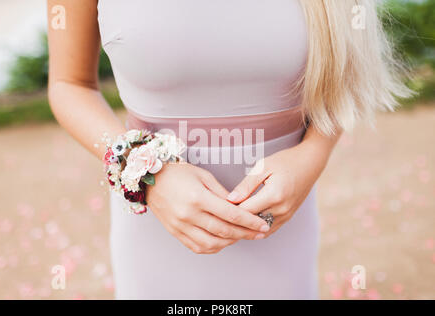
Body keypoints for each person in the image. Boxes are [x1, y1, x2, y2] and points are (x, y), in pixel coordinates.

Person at [47, 0, 410, 299]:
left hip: (281, 236)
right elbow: (69, 84)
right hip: (156, 236)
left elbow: (346, 74)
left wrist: (310, 157)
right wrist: (147, 173)